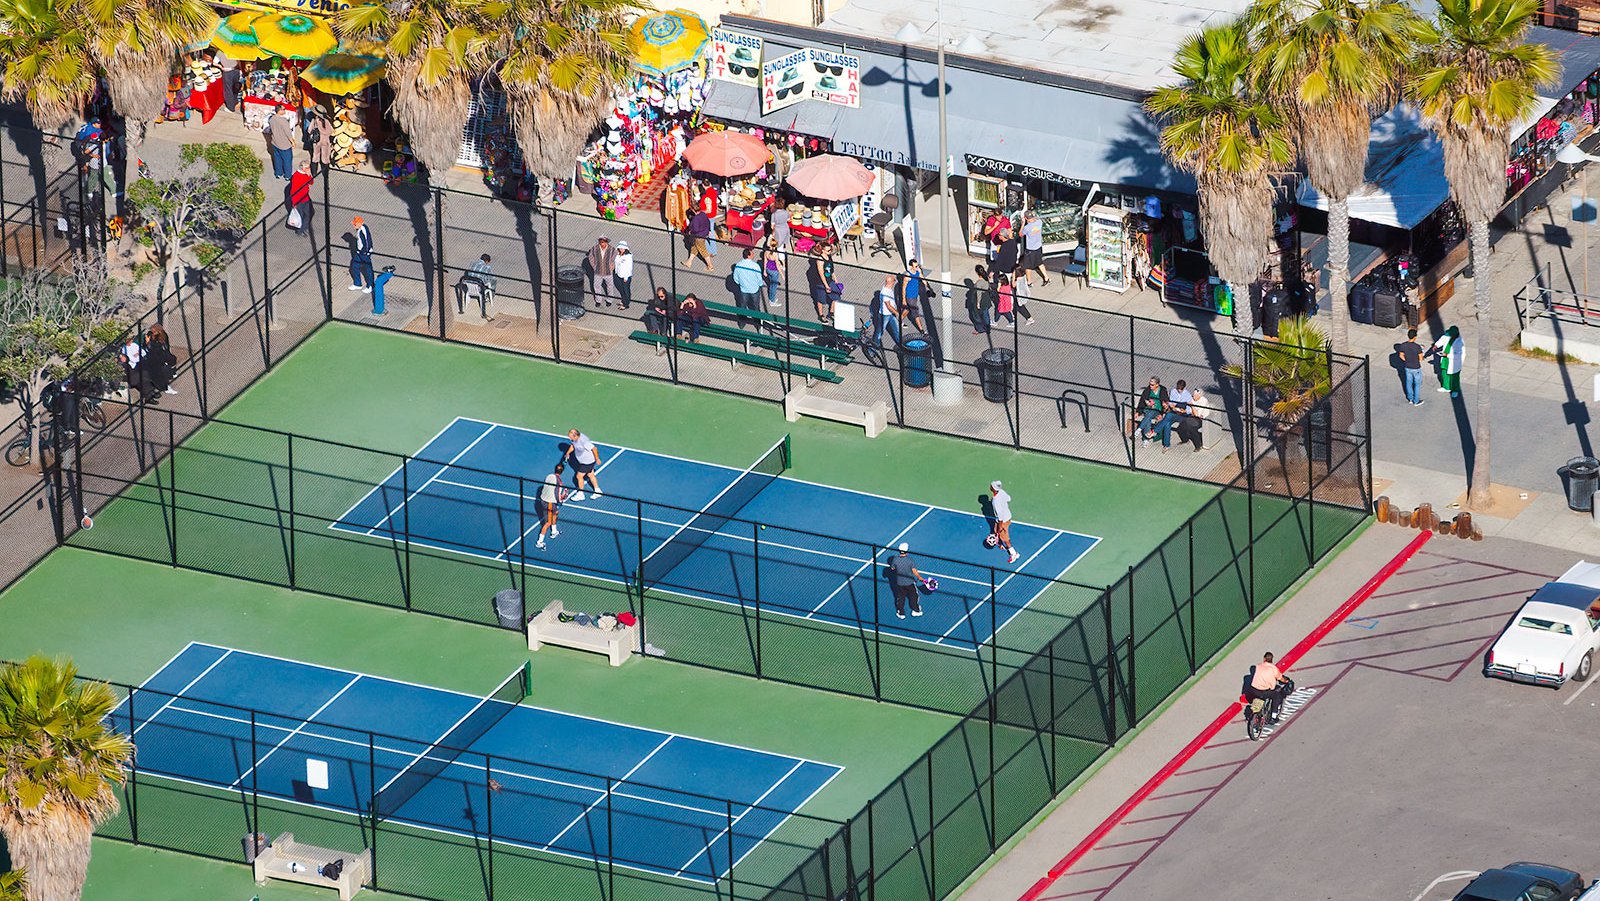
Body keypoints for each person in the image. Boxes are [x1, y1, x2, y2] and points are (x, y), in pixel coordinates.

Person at [1244, 651, 1291, 722]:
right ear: (1272, 660)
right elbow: (1281, 679)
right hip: (1265, 691)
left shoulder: (1258, 666)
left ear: (1264, 659)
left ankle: (1255, 710)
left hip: (1254, 690)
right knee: (1277, 696)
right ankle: (1273, 717)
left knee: (1259, 696)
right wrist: (1287, 681)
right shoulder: (1273, 669)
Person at [887, 542, 926, 619]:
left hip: (900, 583)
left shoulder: (895, 559)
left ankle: (901, 613)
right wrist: (920, 577)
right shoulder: (910, 560)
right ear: (907, 551)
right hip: (910, 582)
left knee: (900, 597)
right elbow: (914, 571)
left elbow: (892, 568)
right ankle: (916, 610)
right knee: (914, 596)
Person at [563, 428, 603, 500]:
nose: (569, 438)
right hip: (584, 461)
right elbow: (573, 446)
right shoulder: (575, 439)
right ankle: (598, 491)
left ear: (575, 436)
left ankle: (581, 494)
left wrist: (597, 459)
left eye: (570, 437)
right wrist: (568, 453)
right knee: (590, 475)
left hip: (587, 462)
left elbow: (594, 449)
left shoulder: (584, 441)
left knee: (579, 476)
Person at [534, 463, 565, 550]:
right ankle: (539, 542)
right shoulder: (559, 482)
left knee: (556, 513)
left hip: (544, 499)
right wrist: (562, 498)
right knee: (548, 523)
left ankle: (554, 531)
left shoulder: (549, 476)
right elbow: (557, 495)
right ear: (562, 472)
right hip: (550, 503)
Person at [732, 247, 766, 327]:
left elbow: (735, 278)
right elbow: (759, 279)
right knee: (756, 307)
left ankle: (741, 324)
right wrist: (760, 284)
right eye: (752, 253)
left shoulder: (738, 265)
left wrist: (742, 284)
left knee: (742, 307)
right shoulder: (755, 266)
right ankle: (758, 324)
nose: (753, 254)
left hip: (744, 289)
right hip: (754, 289)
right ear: (749, 255)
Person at [1426, 325, 1463, 397]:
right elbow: (1442, 340)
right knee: (1444, 373)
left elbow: (1458, 355)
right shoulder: (1447, 337)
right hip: (1445, 359)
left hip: (1453, 361)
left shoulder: (1459, 343)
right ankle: (1446, 387)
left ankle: (1455, 390)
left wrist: (1447, 355)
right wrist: (1436, 345)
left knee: (1454, 376)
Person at [989, 480, 1020, 564]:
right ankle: (1000, 543)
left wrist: (1000, 528)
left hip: (1003, 520)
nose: (990, 486)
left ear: (994, 489)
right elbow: (1008, 498)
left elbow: (1000, 517)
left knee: (1005, 537)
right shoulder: (1001, 492)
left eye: (991, 486)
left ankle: (1013, 553)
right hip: (1007, 516)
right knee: (995, 530)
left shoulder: (996, 502)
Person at [457, 253, 496, 319]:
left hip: (469, 287)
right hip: (478, 287)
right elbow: (490, 278)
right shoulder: (487, 267)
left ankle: (468, 297)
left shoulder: (473, 263)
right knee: (494, 281)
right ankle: (489, 296)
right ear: (487, 261)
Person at [143, 325, 178, 397]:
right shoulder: (150, 337)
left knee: (172, 359)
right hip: (154, 358)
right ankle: (165, 387)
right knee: (160, 372)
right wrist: (148, 342)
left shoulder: (163, 335)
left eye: (154, 331)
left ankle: (171, 373)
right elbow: (152, 349)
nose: (152, 333)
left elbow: (165, 346)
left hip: (161, 355)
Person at [1173, 387, 1212, 451]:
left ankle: (1198, 446)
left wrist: (1192, 406)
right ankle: (1185, 440)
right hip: (1191, 417)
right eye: (1193, 394)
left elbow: (1197, 415)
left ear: (1200, 396)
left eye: (1195, 395)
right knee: (1180, 428)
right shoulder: (1192, 398)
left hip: (1201, 419)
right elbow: (1188, 410)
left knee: (1192, 429)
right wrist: (1184, 411)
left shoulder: (1203, 401)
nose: (1193, 396)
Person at [1134, 376, 1168, 446]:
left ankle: (1140, 431)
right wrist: (1139, 411)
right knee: (1149, 413)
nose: (1150, 386)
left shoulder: (1162, 391)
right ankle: (1145, 438)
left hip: (1157, 411)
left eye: (1152, 385)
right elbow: (1142, 402)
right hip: (1148, 409)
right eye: (1149, 384)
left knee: (1148, 417)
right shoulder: (1147, 390)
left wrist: (1163, 410)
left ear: (1157, 384)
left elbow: (1166, 403)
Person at [807, 245, 837, 324]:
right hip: (821, 283)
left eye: (830, 250)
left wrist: (835, 279)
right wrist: (826, 285)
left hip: (830, 280)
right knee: (821, 299)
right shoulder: (820, 260)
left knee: (836, 296)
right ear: (823, 251)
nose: (830, 251)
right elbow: (821, 273)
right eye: (828, 250)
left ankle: (831, 312)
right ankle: (821, 315)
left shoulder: (829, 257)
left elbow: (832, 269)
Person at [1019, 211, 1049, 287]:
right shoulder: (1039, 222)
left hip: (1030, 249)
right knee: (1039, 262)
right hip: (1038, 247)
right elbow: (1036, 218)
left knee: (1027, 266)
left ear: (1026, 218)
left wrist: (1022, 223)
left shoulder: (1027, 227)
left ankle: (1029, 282)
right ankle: (1046, 277)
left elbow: (1020, 234)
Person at [587, 235, 618, 307]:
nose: (602, 244)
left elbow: (615, 257)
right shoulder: (595, 248)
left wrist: (612, 266)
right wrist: (594, 266)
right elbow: (590, 256)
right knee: (597, 286)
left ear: (607, 242)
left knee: (610, 286)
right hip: (598, 272)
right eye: (601, 242)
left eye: (604, 242)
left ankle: (609, 300)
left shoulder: (612, 249)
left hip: (608, 272)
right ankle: (598, 300)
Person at [871, 274, 902, 348]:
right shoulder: (884, 293)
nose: (894, 282)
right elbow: (888, 306)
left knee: (896, 330)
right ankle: (872, 349)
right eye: (894, 281)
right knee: (879, 332)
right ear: (890, 282)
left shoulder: (888, 289)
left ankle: (901, 345)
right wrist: (898, 313)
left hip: (890, 314)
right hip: (884, 315)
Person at [1397, 327, 1425, 406]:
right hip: (1416, 368)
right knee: (1417, 384)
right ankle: (1416, 401)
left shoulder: (1403, 345)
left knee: (1408, 383)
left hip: (1407, 367)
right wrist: (1422, 352)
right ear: (1415, 337)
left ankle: (1410, 398)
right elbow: (1421, 359)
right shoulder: (1417, 347)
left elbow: (1401, 355)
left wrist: (1406, 360)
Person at [265, 108, 295, 180]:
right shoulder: (283, 121)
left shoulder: (272, 118)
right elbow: (288, 133)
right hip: (284, 145)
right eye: (283, 109)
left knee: (277, 158)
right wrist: (292, 142)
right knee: (287, 161)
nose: (285, 110)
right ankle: (287, 175)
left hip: (275, 142)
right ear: (280, 111)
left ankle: (278, 173)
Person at [287, 160, 313, 237]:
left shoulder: (306, 174)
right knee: (300, 216)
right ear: (302, 168)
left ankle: (303, 228)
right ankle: (300, 230)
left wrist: (309, 175)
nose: (309, 169)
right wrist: (294, 203)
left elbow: (311, 182)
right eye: (307, 167)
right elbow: (293, 191)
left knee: (308, 214)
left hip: (305, 198)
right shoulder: (296, 176)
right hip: (299, 201)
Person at [348, 216, 374, 292]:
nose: (354, 225)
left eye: (355, 224)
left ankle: (370, 285)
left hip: (364, 253)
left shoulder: (363, 230)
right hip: (360, 252)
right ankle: (357, 284)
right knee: (354, 266)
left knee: (368, 269)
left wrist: (365, 252)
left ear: (360, 223)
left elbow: (367, 242)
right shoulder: (360, 229)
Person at [901, 260, 927, 332]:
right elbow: (903, 288)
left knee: (907, 310)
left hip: (915, 295)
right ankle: (922, 330)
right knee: (915, 313)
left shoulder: (918, 272)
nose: (917, 267)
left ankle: (899, 320)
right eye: (915, 266)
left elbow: (923, 280)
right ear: (911, 266)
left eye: (917, 265)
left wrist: (929, 289)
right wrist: (904, 299)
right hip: (910, 296)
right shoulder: (908, 275)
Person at [968, 266, 993, 334]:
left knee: (976, 315)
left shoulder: (979, 282)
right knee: (986, 314)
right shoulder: (986, 278)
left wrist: (978, 303)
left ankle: (980, 329)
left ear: (977, 272)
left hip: (981, 300)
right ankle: (988, 328)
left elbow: (979, 293)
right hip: (986, 298)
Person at [762, 238, 784, 306]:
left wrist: (764, 270)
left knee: (771, 283)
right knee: (773, 286)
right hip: (774, 271)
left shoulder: (766, 252)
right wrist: (782, 275)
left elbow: (765, 262)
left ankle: (772, 298)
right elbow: (777, 266)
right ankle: (772, 300)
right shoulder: (775, 254)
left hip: (768, 269)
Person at [614, 240, 634, 310]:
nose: (621, 249)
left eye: (622, 248)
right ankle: (623, 300)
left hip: (625, 276)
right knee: (620, 288)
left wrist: (626, 277)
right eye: (620, 248)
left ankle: (626, 304)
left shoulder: (628, 257)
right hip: (618, 274)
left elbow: (629, 268)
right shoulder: (618, 254)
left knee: (626, 290)